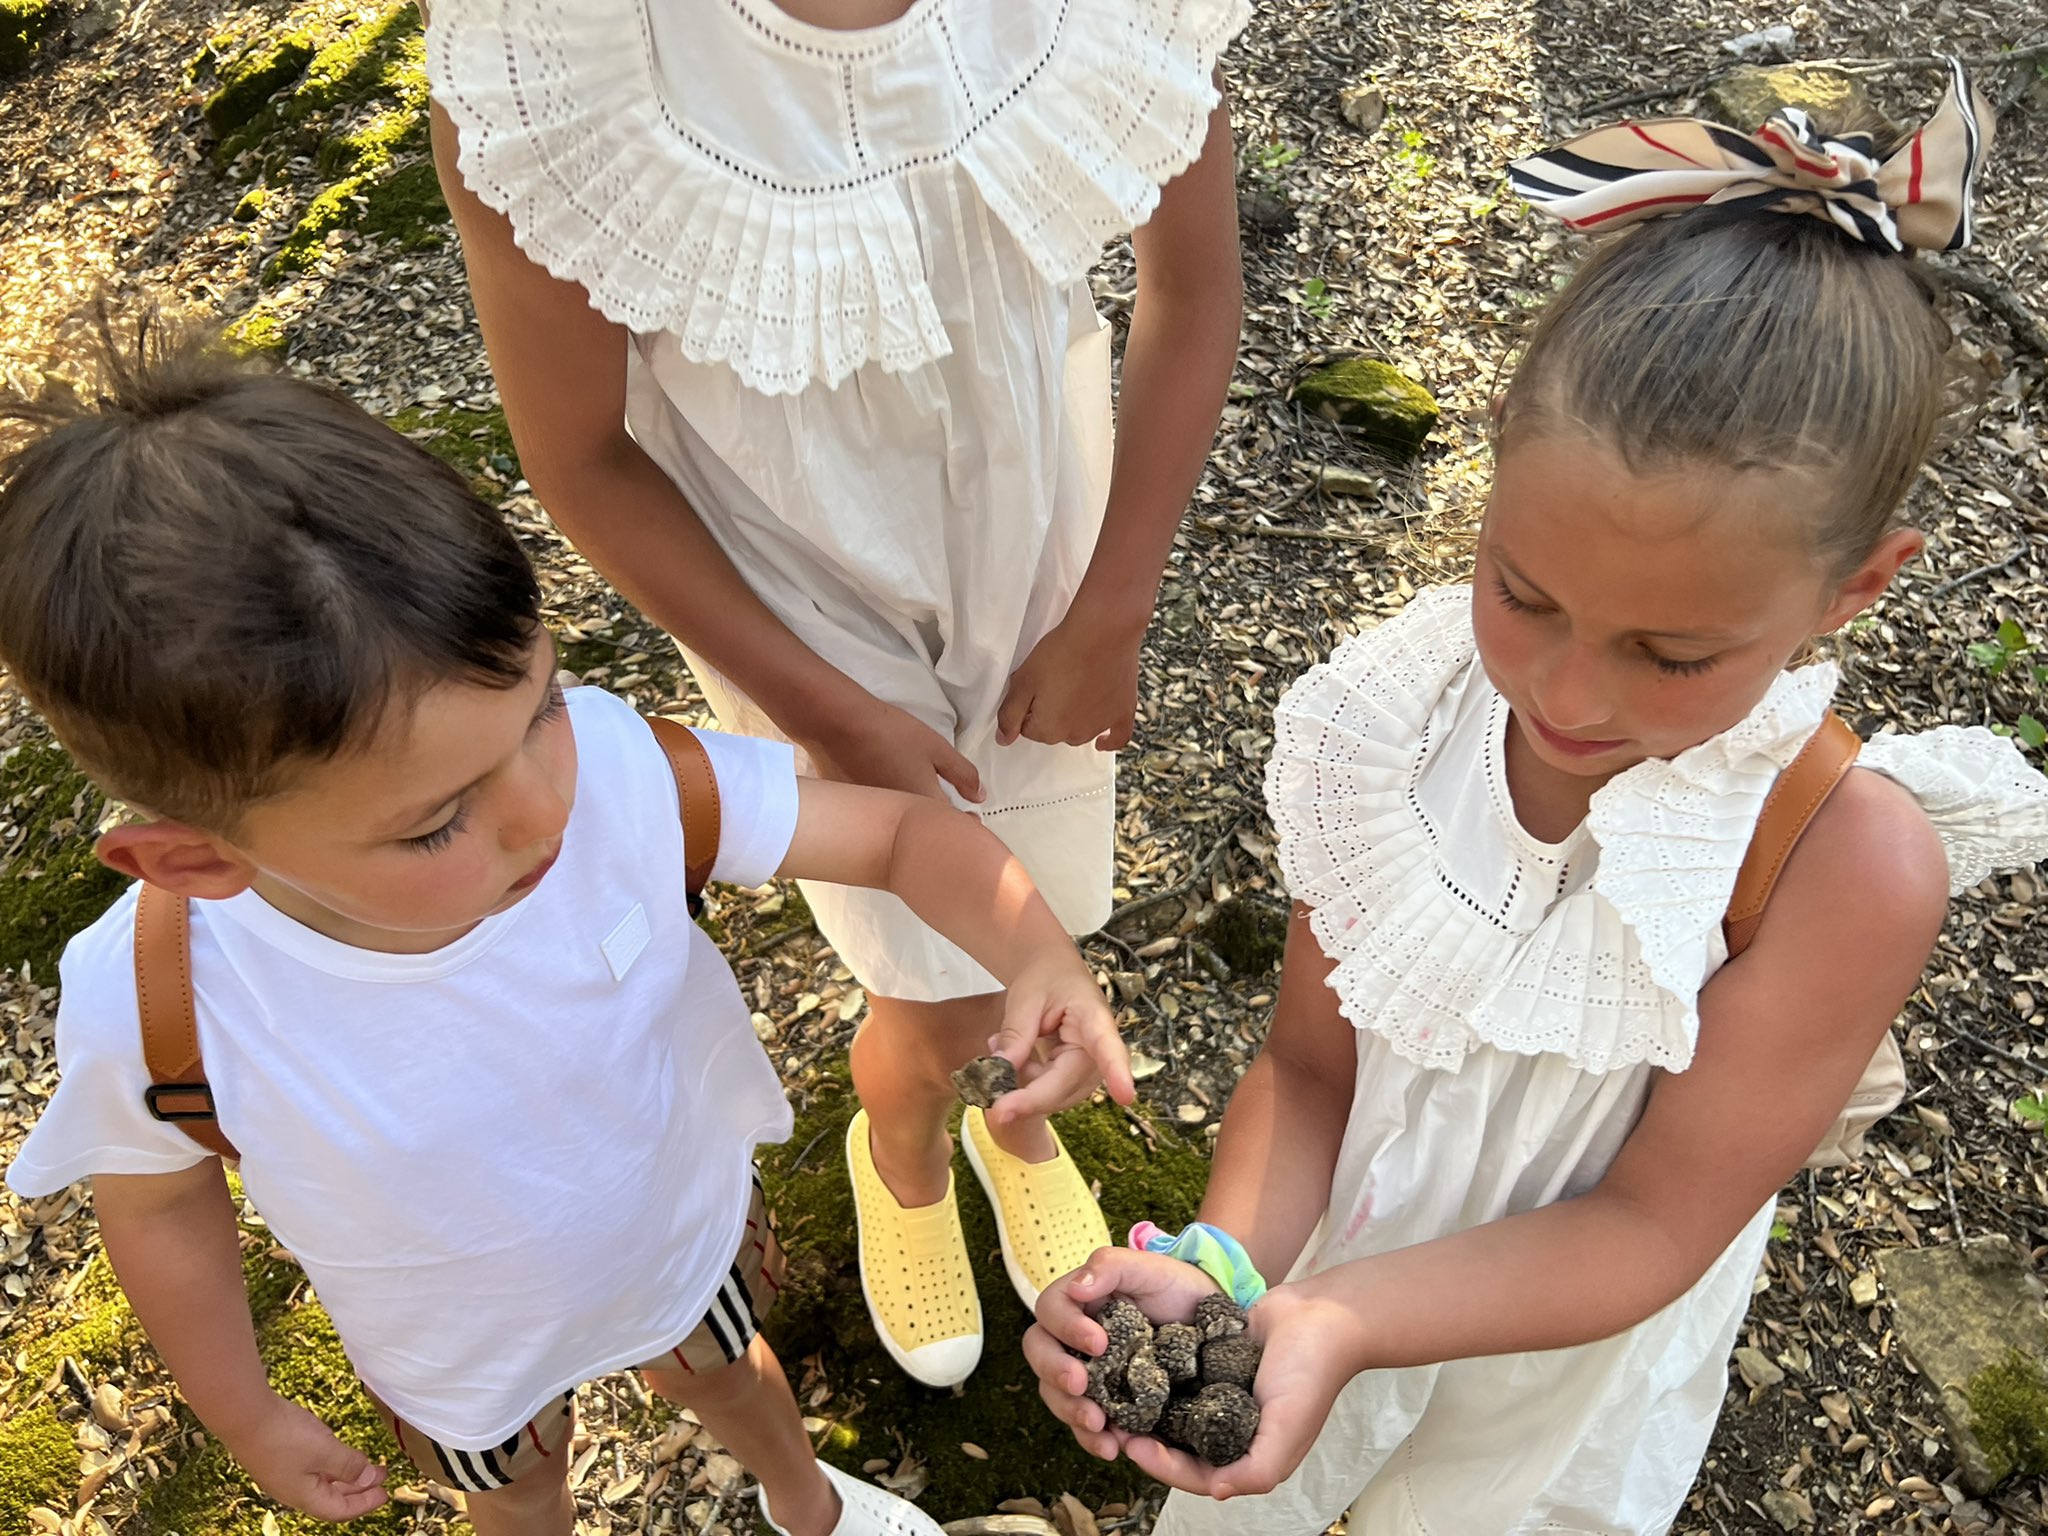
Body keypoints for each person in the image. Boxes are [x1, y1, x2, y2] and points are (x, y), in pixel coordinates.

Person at [1025, 66, 2048, 1533]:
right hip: (1332, 1275)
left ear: (1858, 586)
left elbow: (1648, 1223)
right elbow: (1312, 1077)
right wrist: (1227, 1271)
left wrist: (1355, 1323)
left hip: (1548, 1366)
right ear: (1501, 452)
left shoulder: (1839, 866)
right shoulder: (1400, 716)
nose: (1568, 698)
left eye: (1676, 655)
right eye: (1523, 592)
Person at [0, 318, 1133, 1536]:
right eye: (437, 825)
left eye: (540, 710)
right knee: (517, 1493)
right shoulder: (158, 996)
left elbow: (900, 837)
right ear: (197, 857)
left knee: (733, 1377)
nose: (546, 813)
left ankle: (810, 1507)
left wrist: (1034, 952)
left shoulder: (622, 769)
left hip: (675, 1241)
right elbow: (161, 1206)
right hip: (458, 1356)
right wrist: (247, 1413)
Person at [416, 0, 1246, 1384]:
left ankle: (1018, 1127)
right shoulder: (547, 59)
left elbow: (1197, 284)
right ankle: (906, 1148)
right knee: (927, 984)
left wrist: (1113, 605)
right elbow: (582, 452)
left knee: (1048, 907)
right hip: (794, 614)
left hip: (1051, 557)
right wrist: (827, 712)